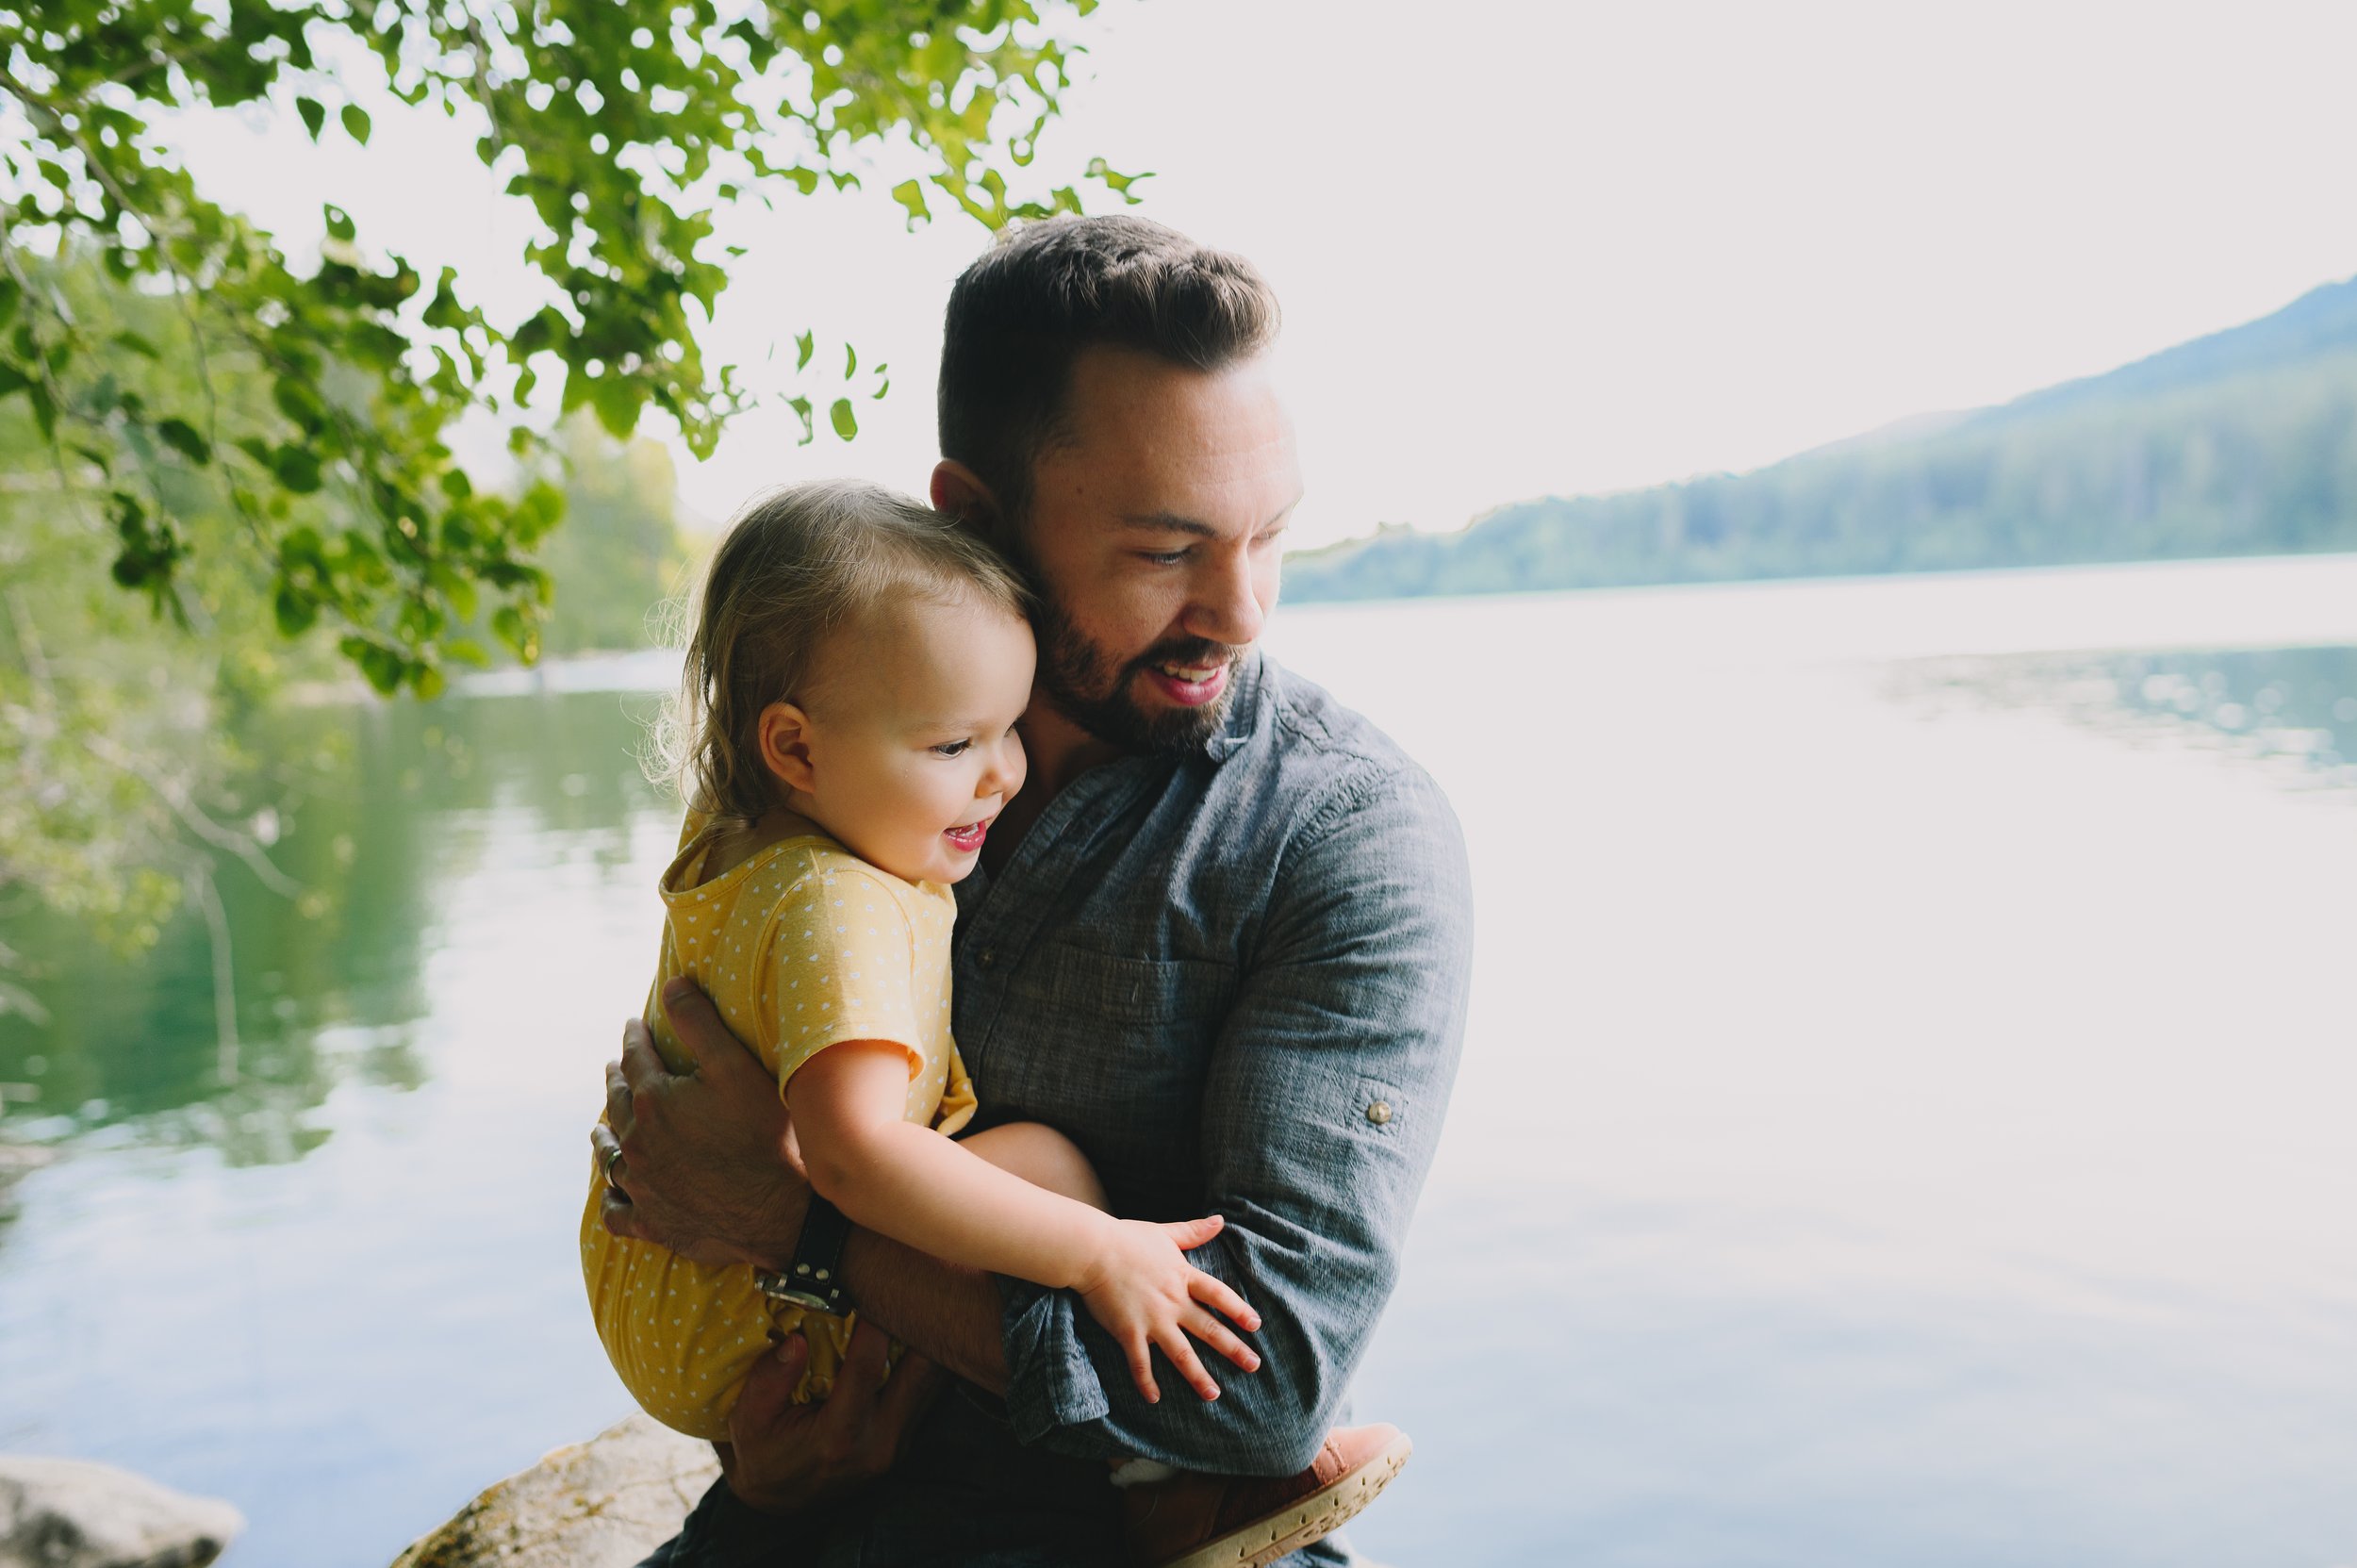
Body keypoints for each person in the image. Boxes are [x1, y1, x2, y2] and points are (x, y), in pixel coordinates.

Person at [596, 215, 1475, 1568]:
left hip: (1169, 1537)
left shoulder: (1344, 834)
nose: (1240, 612)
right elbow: (678, 1140)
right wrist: (762, 1440)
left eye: (1270, 537)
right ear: (977, 518)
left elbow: (1272, 1383)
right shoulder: (831, 768)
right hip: (815, 1488)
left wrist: (806, 1225)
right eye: (1165, 550)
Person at [580, 479, 1264, 1443]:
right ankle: (1144, 1475)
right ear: (795, 748)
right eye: (953, 742)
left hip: (669, 1291)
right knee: (1049, 1170)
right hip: (747, 1315)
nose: (1004, 774)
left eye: (1008, 727)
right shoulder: (835, 901)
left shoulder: (739, 830)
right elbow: (854, 1160)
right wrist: (1097, 1252)